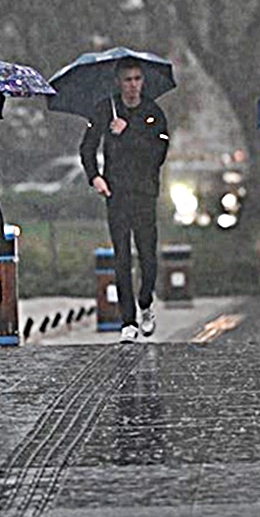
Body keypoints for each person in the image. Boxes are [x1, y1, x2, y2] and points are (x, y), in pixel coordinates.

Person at [80, 57, 170, 343]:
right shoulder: (106, 110)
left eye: (136, 79)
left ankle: (146, 301)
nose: (132, 86)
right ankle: (127, 320)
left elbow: (157, 153)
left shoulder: (153, 113)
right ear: (118, 82)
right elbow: (88, 147)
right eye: (127, 80)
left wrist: (128, 131)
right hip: (116, 193)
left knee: (147, 254)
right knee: (121, 256)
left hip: (144, 192)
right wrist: (95, 176)